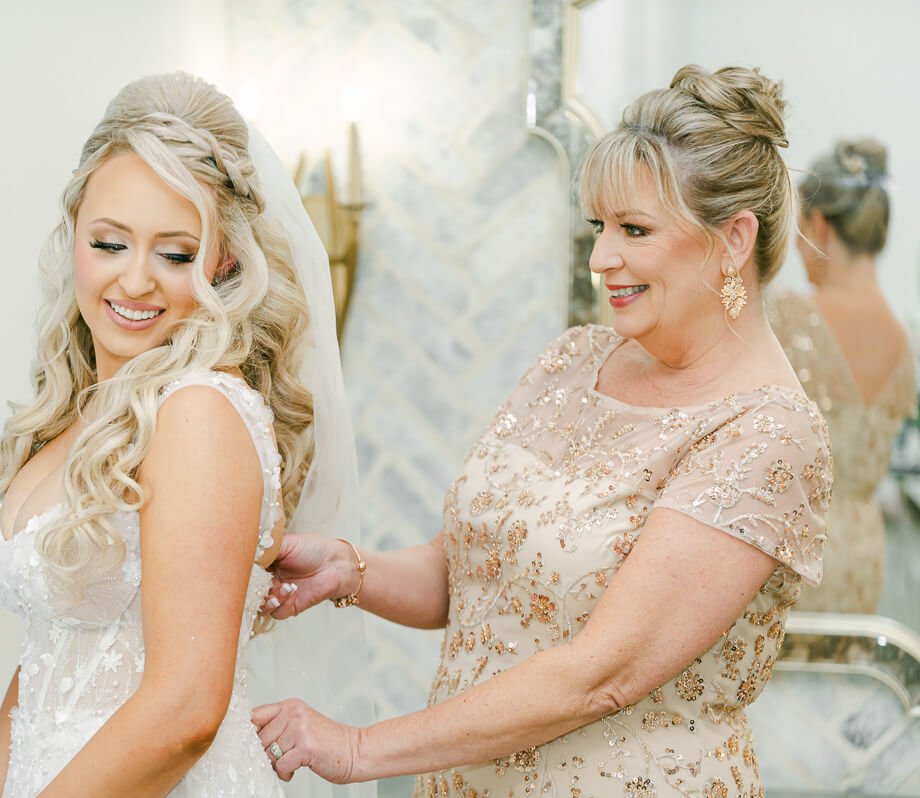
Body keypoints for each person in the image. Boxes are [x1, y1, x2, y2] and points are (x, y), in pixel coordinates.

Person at [254, 65, 832, 797]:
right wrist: (351, 570)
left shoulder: (767, 435)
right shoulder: (575, 360)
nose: (601, 259)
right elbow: (468, 576)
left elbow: (603, 674)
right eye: (599, 227)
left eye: (634, 230)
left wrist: (359, 748)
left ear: (734, 239)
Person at [0, 72, 365, 798]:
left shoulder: (199, 411)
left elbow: (185, 711)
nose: (135, 281)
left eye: (174, 254)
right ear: (74, 228)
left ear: (223, 261)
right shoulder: (83, 408)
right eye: (109, 243)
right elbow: (50, 662)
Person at [772, 139, 915, 613]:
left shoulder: (788, 317)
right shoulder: (905, 342)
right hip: (864, 553)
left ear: (819, 226)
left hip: (796, 548)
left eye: (798, 229)